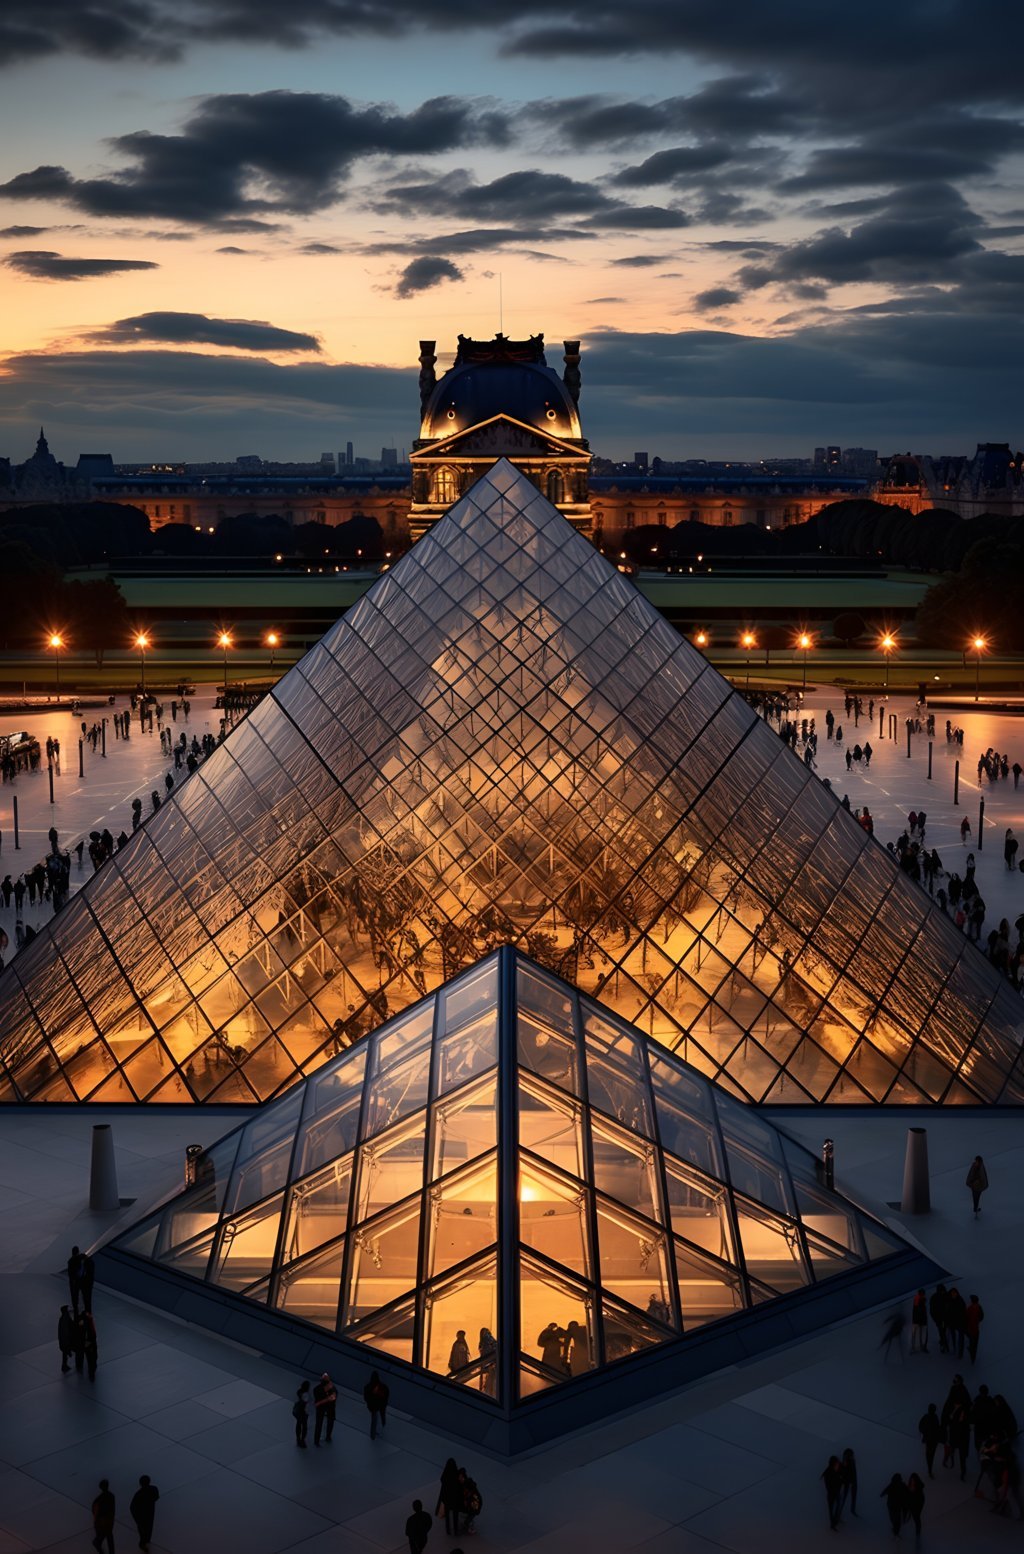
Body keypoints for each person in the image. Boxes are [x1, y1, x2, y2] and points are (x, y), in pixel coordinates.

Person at [129, 1474, 159, 1551]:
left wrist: (136, 1518)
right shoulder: (154, 1489)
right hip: (150, 1512)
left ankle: (143, 1543)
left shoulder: (139, 1494)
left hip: (141, 1516)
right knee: (149, 1528)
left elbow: (132, 1507)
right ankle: (146, 1541)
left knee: (143, 1530)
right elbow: (156, 1497)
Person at [918, 1402, 943, 1477]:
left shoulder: (927, 1417)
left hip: (930, 1439)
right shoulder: (935, 1417)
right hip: (933, 1440)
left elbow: (920, 1426)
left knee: (929, 1455)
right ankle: (930, 1469)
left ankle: (930, 1469)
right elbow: (938, 1428)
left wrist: (924, 1433)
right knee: (931, 1455)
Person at [91, 1479, 116, 1554]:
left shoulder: (99, 1499)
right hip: (109, 1522)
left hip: (102, 1523)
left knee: (100, 1539)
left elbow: (95, 1511)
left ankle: (100, 1549)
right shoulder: (111, 1496)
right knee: (109, 1538)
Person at [438, 1458, 461, 1537]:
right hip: (455, 1498)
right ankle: (456, 1530)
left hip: (447, 1498)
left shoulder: (445, 1474)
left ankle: (448, 1530)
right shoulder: (456, 1474)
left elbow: (442, 1480)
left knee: (447, 1515)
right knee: (455, 1515)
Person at [67, 1245, 94, 1313]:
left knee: (75, 1295)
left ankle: (76, 1308)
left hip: (76, 1281)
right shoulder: (82, 1259)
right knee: (83, 1296)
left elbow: (71, 1273)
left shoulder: (71, 1261)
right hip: (82, 1281)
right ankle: (85, 1310)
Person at [313, 1371, 337, 1445]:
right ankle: (326, 1437)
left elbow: (333, 1397)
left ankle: (323, 1438)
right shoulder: (331, 1388)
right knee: (322, 1423)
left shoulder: (317, 1389)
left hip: (325, 1408)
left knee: (322, 1423)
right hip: (326, 1408)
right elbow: (333, 1398)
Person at [364, 1369, 389, 1439]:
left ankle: (373, 1434)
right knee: (381, 1415)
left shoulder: (368, 1387)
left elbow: (366, 1397)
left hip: (374, 1405)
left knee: (374, 1419)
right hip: (380, 1404)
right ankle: (382, 1427)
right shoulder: (382, 1387)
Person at [822, 1455, 843, 1530]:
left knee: (837, 1506)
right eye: (836, 1464)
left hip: (835, 1493)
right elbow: (829, 1486)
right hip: (832, 1494)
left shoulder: (834, 1471)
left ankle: (835, 1521)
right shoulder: (829, 1473)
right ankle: (833, 1524)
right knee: (832, 1509)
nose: (838, 1465)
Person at [929, 1284, 950, 1353]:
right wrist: (936, 1319)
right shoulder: (935, 1297)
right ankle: (943, 1345)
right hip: (940, 1319)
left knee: (942, 1331)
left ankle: (943, 1344)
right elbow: (932, 1310)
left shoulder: (945, 1296)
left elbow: (949, 1306)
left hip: (944, 1319)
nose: (943, 1292)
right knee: (942, 1331)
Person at [965, 1294, 985, 1362]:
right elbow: (982, 1317)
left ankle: (972, 1356)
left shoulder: (969, 1308)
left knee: (972, 1342)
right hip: (976, 1329)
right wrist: (977, 1320)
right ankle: (973, 1357)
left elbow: (965, 1318)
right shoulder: (979, 1307)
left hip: (970, 1329)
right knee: (975, 1343)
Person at [839, 1447, 858, 1518]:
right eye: (851, 1455)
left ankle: (852, 1510)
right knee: (843, 1498)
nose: (852, 1456)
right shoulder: (848, 1462)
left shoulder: (851, 1462)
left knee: (847, 1497)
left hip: (851, 1482)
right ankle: (839, 1514)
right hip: (849, 1483)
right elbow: (845, 1472)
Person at [905, 1471, 925, 1539]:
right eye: (911, 1480)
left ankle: (918, 1534)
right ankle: (918, 1533)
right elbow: (908, 1497)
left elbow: (921, 1498)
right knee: (916, 1518)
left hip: (917, 1505)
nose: (912, 1481)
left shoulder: (919, 1487)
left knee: (917, 1518)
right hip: (913, 1505)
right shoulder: (909, 1487)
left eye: (914, 1480)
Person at [58, 1304, 75, 1373]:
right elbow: (67, 1331)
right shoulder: (66, 1318)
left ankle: (64, 1366)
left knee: (64, 1353)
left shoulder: (62, 1318)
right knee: (66, 1352)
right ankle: (64, 1366)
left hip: (63, 1340)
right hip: (66, 1340)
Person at [910, 1289, 928, 1353]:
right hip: (918, 1320)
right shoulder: (918, 1299)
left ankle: (919, 1347)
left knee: (920, 1334)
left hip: (919, 1320)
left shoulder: (919, 1299)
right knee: (918, 1334)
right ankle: (916, 1348)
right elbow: (917, 1311)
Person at [293, 1380, 309, 1447]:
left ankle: (299, 1439)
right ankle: (302, 1440)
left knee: (299, 1424)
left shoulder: (299, 1392)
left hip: (298, 1411)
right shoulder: (305, 1395)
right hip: (302, 1412)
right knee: (304, 1426)